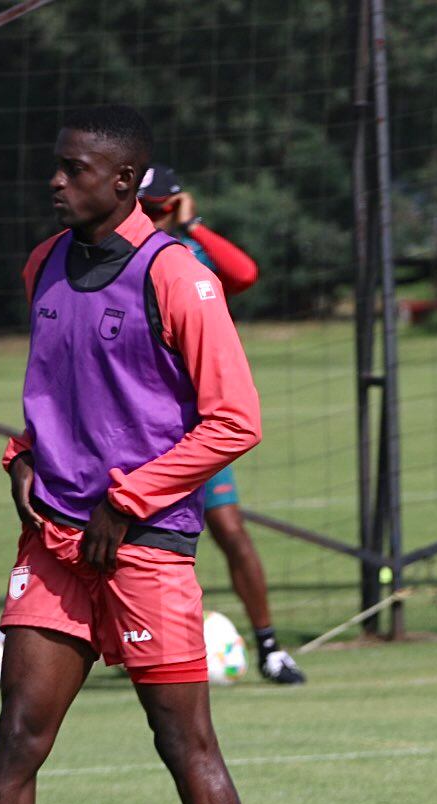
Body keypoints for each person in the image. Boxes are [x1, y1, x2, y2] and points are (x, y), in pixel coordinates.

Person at [0, 106, 280, 804]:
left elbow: (234, 420)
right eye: (56, 166)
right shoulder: (42, 264)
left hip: (146, 549)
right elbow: (60, 391)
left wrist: (126, 500)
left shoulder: (177, 274)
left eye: (75, 169)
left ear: (126, 182)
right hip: (53, 544)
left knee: (184, 745)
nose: (56, 181)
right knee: (17, 738)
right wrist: (22, 455)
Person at [138, 165, 305, 685]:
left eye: (157, 206)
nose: (149, 214)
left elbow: (246, 273)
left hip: (192, 428)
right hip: (135, 423)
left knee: (230, 530)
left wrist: (193, 226)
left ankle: (271, 647)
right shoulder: (116, 255)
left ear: (172, 204)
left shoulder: (190, 256)